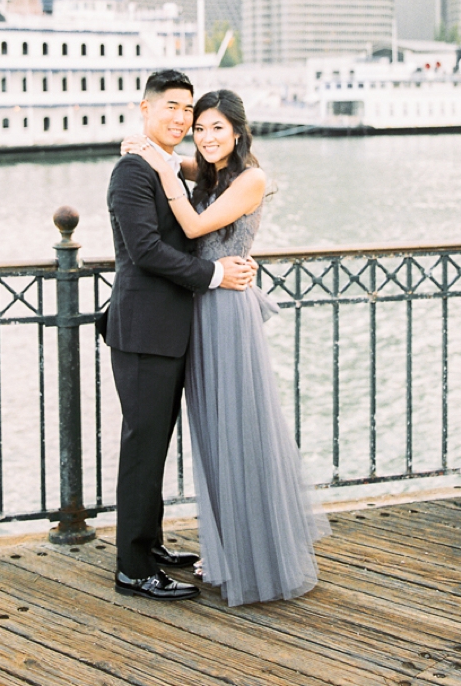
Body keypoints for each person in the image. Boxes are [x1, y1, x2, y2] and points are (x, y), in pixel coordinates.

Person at [124, 88, 329, 607]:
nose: (207, 137)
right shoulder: (206, 170)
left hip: (227, 309)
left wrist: (164, 168)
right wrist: (145, 146)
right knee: (215, 436)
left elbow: (193, 225)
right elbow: (160, 155)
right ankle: (229, 550)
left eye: (218, 128)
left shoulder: (251, 177)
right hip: (199, 308)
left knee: (241, 430)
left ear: (238, 131)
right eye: (200, 127)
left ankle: (258, 557)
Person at [105, 70, 258, 601]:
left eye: (186, 111)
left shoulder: (165, 165)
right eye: (170, 107)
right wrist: (217, 275)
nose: (180, 118)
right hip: (144, 330)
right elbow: (145, 251)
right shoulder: (132, 172)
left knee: (156, 445)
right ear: (144, 108)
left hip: (172, 329)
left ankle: (150, 545)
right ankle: (132, 568)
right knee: (143, 449)